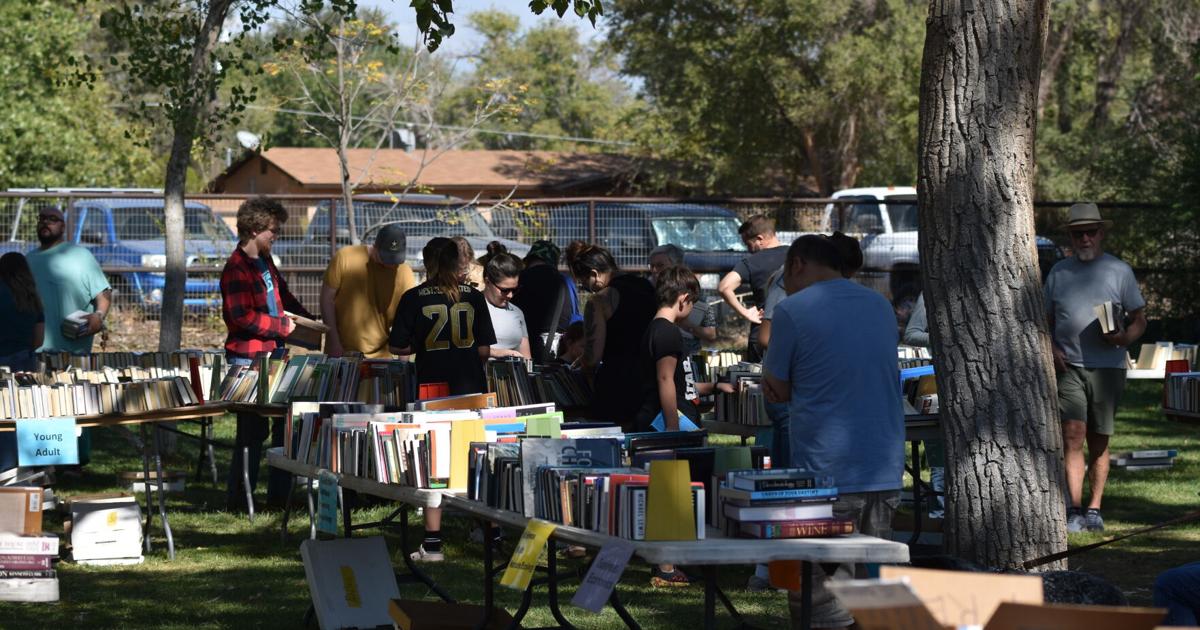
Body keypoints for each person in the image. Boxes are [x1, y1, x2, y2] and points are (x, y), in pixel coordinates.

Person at [762, 234, 903, 629]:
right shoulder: (879, 304)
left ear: (797, 264)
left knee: (820, 597)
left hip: (827, 472)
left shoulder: (792, 311)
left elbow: (778, 387)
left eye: (782, 278)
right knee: (871, 590)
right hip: (884, 466)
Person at [389, 237, 496, 562]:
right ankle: (491, 530)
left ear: (428, 262)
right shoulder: (474, 297)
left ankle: (433, 543)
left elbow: (399, 347)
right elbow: (484, 350)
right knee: (478, 458)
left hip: (433, 387)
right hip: (470, 386)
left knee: (432, 461)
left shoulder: (413, 297)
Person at [1044, 202, 1146, 533]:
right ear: (1070, 237)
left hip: (1108, 368)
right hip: (1069, 366)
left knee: (1099, 439)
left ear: (1101, 234)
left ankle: (1094, 508)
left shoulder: (1119, 271)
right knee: (1072, 435)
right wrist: (1051, 347)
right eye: (1078, 233)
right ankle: (1073, 508)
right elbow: (1043, 321)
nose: (1085, 238)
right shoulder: (1059, 272)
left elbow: (1139, 319)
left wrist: (1123, 338)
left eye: (1090, 232)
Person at [220, 197, 314, 511]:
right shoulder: (236, 268)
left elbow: (283, 295)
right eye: (273, 230)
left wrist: (308, 320)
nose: (276, 235)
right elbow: (241, 318)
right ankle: (239, 499)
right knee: (250, 433)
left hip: (275, 355)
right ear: (256, 228)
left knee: (282, 429)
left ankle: (278, 498)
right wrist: (280, 327)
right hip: (248, 359)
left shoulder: (266, 260)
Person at [27, 205, 112, 468]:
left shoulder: (80, 256)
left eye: (53, 219)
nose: (46, 223)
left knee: (75, 406)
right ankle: (45, 464)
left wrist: (99, 316)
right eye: (42, 219)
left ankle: (75, 464)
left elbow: (104, 294)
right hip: (38, 349)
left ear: (63, 227)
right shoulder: (28, 260)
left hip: (73, 348)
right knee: (39, 408)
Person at [565, 241, 656, 430]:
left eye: (584, 283)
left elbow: (593, 358)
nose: (587, 289)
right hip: (652, 379)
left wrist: (583, 371)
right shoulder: (646, 286)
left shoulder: (600, 300)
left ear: (594, 274)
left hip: (618, 384)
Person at [319, 224, 416, 358]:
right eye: (386, 258)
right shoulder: (346, 257)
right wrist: (334, 342)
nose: (391, 264)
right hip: (341, 351)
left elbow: (407, 320)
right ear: (375, 247)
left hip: (382, 356)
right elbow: (326, 299)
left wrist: (402, 363)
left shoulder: (405, 273)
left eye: (396, 259)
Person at [718, 215, 788, 361]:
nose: (749, 250)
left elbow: (724, 287)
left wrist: (746, 313)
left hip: (762, 333)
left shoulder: (751, 262)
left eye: (748, 244)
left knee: (757, 380)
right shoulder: (797, 256)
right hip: (794, 331)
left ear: (760, 239)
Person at [0, 252, 45, 472]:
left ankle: (5, 470)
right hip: (23, 364)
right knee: (25, 417)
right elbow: (38, 340)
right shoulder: (32, 298)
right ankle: (28, 470)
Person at [512, 240, 582, 362]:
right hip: (556, 349)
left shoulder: (518, 280)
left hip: (521, 347)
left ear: (529, 259)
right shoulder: (565, 281)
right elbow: (575, 318)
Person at [649, 244, 716, 356]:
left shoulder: (695, 296)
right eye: (651, 266)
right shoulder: (646, 292)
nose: (654, 270)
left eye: (660, 265)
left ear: (676, 265)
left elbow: (711, 334)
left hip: (689, 357)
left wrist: (687, 325)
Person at [479, 242, 531, 359]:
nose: (510, 295)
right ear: (488, 282)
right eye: (504, 290)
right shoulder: (473, 307)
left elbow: (526, 357)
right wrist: (497, 353)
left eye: (515, 289)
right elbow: (462, 349)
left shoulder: (516, 312)